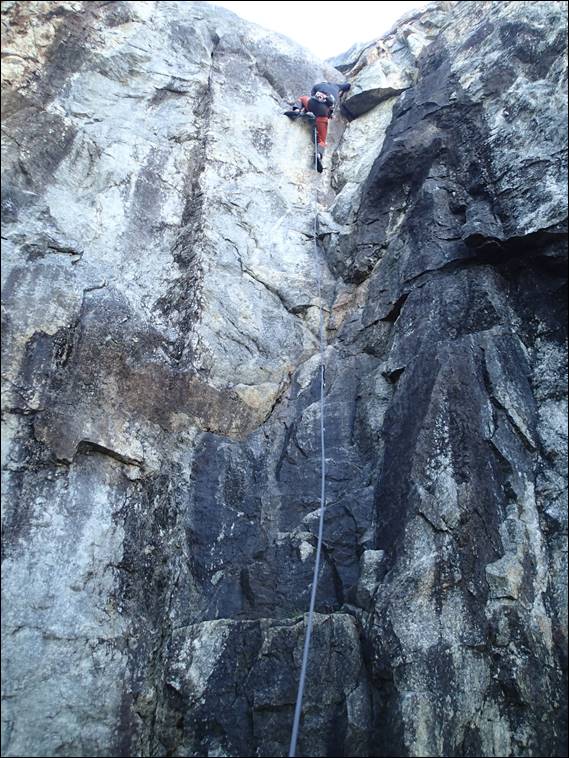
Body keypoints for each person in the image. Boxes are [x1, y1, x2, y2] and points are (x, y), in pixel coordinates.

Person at [283, 89, 336, 172]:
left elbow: (312, 95)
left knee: (302, 98)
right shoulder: (331, 98)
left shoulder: (318, 88)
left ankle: (296, 110)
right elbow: (330, 113)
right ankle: (318, 155)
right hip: (322, 113)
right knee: (322, 140)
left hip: (311, 104)